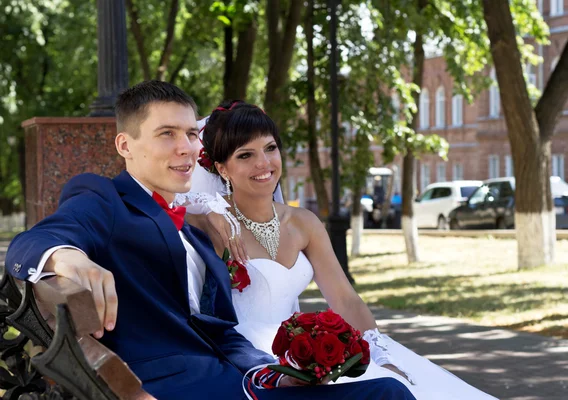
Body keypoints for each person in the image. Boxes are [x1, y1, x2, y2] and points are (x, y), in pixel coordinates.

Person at [5, 81, 414, 400]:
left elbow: (219, 331)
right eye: (166, 134)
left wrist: (270, 372)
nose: (184, 148)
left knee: (388, 392)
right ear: (125, 145)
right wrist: (68, 258)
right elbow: (35, 241)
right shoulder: (104, 198)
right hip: (165, 387)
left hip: (240, 383)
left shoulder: (198, 232)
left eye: (189, 133)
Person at [183, 101, 498, 400]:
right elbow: (160, 208)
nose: (263, 163)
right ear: (222, 169)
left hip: (302, 350)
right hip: (249, 356)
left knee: (405, 384)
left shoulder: (304, 223)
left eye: (270, 148)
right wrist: (204, 208)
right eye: (245, 155)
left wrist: (379, 352)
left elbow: (345, 298)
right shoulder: (211, 222)